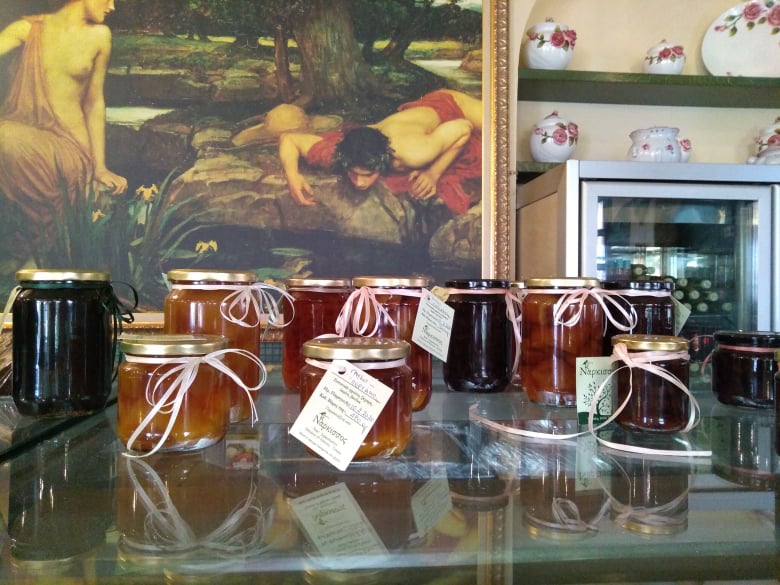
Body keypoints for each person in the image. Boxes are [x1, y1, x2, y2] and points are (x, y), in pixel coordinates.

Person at [0, 0, 127, 260]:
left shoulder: (100, 36)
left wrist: (100, 167)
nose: (112, 7)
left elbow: (94, 102)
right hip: (28, 138)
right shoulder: (28, 29)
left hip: (71, 149)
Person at [278, 89, 482, 215]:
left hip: (451, 106)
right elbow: (289, 139)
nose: (359, 183)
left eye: (367, 174)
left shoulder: (413, 154)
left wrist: (433, 173)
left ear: (383, 162)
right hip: (415, 121)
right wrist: (292, 176)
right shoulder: (342, 152)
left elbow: (463, 127)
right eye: (354, 173)